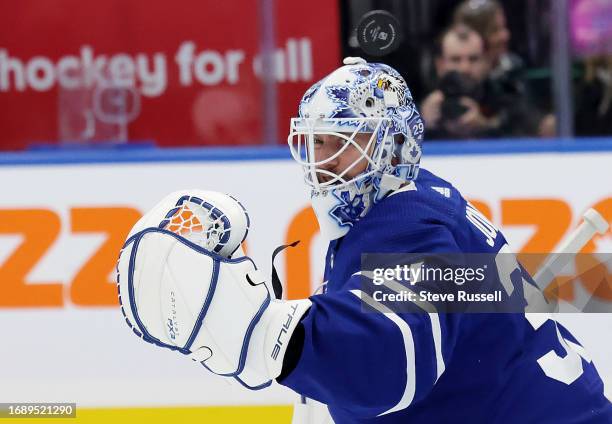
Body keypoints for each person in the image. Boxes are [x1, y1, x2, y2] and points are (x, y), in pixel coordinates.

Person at [118, 58, 612, 423]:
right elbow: (492, 294)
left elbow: (391, 358)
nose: (322, 160)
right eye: (314, 142)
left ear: (392, 145)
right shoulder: (416, 201)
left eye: (341, 142)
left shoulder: (412, 227)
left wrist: (269, 335)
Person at [453, 0, 556, 137]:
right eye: (495, 30)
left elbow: (525, 117)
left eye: (504, 27)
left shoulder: (510, 70)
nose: (505, 35)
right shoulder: (450, 78)